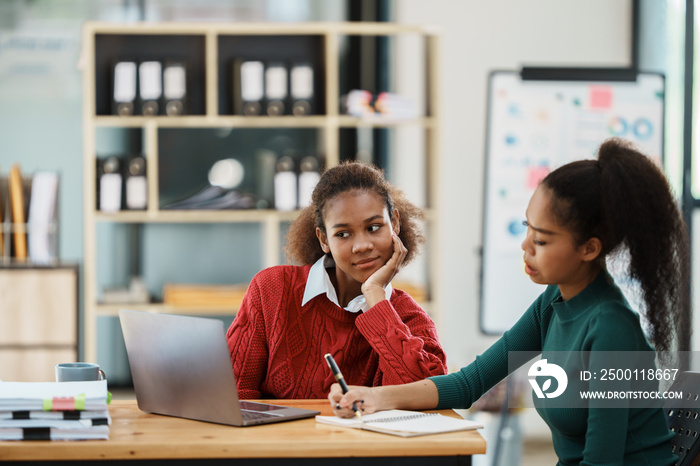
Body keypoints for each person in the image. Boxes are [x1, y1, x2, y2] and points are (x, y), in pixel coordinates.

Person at [329, 138, 689, 465]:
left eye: (543, 240)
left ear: (589, 248)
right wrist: (376, 397)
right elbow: (470, 383)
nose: (525, 246)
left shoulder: (610, 327)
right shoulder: (554, 301)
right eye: (526, 228)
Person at [227, 161, 447, 399]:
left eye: (374, 227)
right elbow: (233, 395)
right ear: (323, 240)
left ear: (394, 224)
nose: (362, 245)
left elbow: (424, 401)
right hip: (277, 437)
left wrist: (375, 296)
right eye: (343, 234)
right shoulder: (271, 289)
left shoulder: (410, 318)